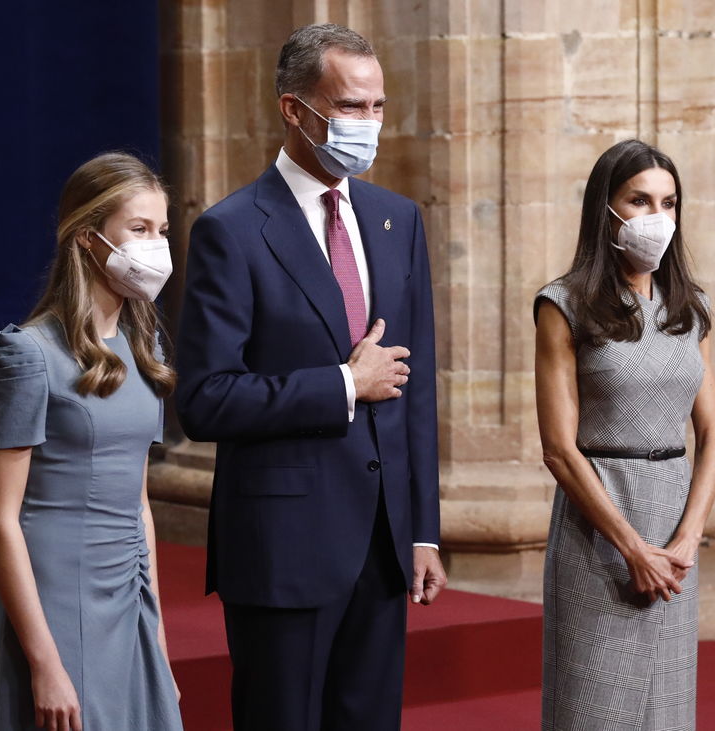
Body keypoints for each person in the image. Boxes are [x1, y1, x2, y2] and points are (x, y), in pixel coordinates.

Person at [173, 23, 445, 731]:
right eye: (350, 108)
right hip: (283, 545)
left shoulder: (397, 219)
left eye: (378, 106)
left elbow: (417, 389)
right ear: (294, 110)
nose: (369, 124)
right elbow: (204, 399)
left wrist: (423, 532)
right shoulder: (231, 230)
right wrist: (344, 385)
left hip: (384, 547)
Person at [0, 152, 183, 731]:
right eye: (138, 230)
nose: (156, 246)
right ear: (89, 237)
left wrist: (159, 639)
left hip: (129, 588)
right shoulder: (28, 353)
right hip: (56, 593)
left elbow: (139, 504)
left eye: (162, 231)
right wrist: (44, 663)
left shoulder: (147, 353)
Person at [535, 139, 715, 730]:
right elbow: (559, 451)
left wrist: (687, 539)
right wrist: (632, 548)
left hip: (674, 527)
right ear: (607, 210)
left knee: (665, 707)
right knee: (594, 709)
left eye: (669, 203)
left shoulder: (691, 308)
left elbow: (714, 434)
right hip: (599, 526)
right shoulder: (563, 304)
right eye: (639, 201)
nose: (656, 217)